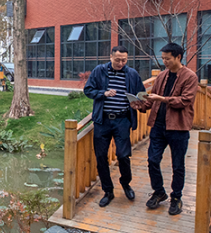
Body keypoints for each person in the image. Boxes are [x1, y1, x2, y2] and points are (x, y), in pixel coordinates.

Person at [137, 42, 199, 216]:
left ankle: (176, 197)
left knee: (177, 165)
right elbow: (152, 98)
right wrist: (140, 105)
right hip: (158, 126)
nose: (164, 61)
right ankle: (159, 192)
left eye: (168, 58)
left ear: (178, 57)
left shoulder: (190, 77)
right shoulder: (162, 75)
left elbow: (185, 101)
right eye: (163, 58)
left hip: (178, 127)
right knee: (152, 160)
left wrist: (162, 99)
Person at [82, 45, 144, 207]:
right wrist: (103, 93)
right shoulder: (99, 71)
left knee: (123, 155)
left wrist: (139, 103)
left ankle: (125, 183)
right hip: (102, 121)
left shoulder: (132, 74)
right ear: (110, 57)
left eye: (124, 60)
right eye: (117, 60)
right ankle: (108, 191)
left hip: (122, 120)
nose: (121, 63)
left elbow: (142, 94)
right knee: (101, 156)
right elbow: (88, 90)